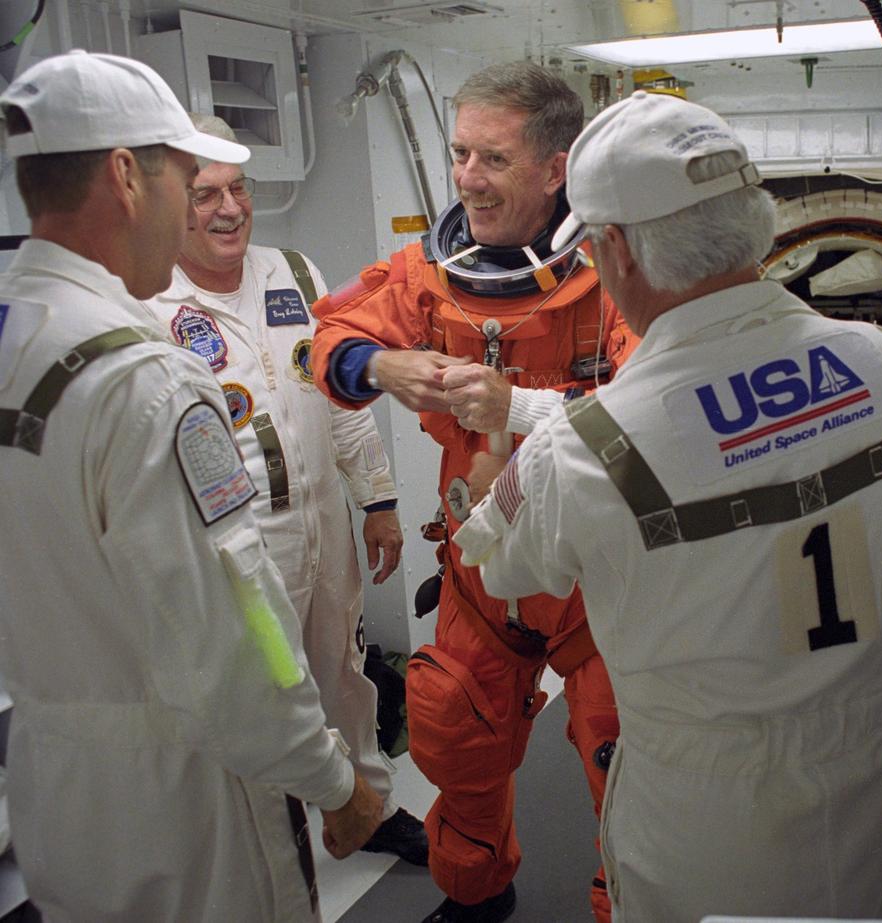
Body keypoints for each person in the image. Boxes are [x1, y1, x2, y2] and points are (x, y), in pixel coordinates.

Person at [454, 91, 882, 922]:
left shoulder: (589, 447)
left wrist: (488, 484)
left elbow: (500, 565)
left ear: (618, 251)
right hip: (869, 779)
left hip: (702, 822)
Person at [0, 51, 383, 922]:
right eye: (184, 179)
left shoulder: (18, 335)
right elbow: (242, 636)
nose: (198, 211)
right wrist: (335, 780)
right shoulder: (147, 383)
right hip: (183, 803)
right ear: (126, 175)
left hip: (56, 788)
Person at [311, 61, 630, 923]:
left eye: (492, 158)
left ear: (556, 168)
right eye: (459, 154)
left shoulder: (615, 270)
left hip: (597, 571)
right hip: (481, 559)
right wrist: (380, 364)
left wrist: (523, 406)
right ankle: (476, 894)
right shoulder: (428, 271)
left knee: (626, 754)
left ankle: (632, 906)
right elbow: (329, 338)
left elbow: (656, 403)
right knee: (456, 729)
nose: (467, 177)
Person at [140, 113, 428, 866]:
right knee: (266, 688)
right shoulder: (149, 303)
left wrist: (379, 500)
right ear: (171, 203)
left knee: (344, 673)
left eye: (238, 189)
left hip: (323, 521)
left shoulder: (293, 273)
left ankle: (372, 806)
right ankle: (280, 840)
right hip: (240, 546)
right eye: (205, 194)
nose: (229, 208)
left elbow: (338, 396)